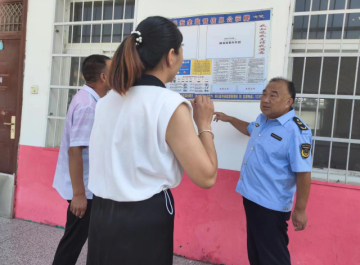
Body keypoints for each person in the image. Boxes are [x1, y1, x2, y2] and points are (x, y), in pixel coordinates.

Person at [87, 16, 218, 265]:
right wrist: (204, 124)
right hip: (144, 217)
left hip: (102, 214)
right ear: (170, 56)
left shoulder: (105, 102)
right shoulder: (168, 104)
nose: (181, 60)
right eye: (181, 53)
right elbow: (207, 176)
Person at [214, 78, 312, 265]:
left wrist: (300, 209)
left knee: (274, 257)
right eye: (264, 94)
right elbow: (249, 129)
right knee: (257, 253)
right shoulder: (263, 120)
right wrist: (230, 119)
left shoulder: (297, 131)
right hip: (251, 197)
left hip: (271, 205)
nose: (265, 99)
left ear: (288, 102)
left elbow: (303, 172)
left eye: (273, 95)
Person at [52, 55, 111, 265]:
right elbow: (75, 151)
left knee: (80, 239)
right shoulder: (88, 106)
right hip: (83, 190)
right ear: (104, 76)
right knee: (72, 243)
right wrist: (79, 195)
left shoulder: (89, 99)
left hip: (87, 187)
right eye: (113, 71)